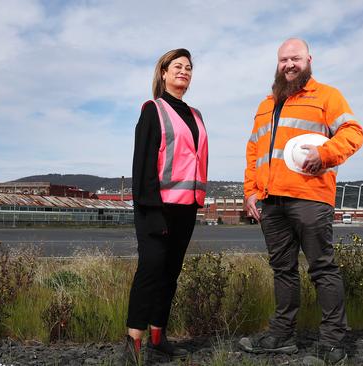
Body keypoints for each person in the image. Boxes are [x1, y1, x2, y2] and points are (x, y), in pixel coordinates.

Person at [239, 38, 363, 366]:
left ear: (308, 60)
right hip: (271, 201)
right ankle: (281, 336)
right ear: (277, 64)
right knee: (283, 269)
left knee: (322, 267)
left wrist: (324, 154)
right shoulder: (266, 104)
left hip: (310, 197)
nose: (289, 64)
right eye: (283, 60)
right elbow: (254, 150)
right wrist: (250, 191)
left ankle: (333, 342)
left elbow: (353, 133)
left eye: (295, 58)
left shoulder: (327, 96)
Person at [117, 48, 208, 365]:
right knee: (151, 271)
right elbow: (142, 166)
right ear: (164, 73)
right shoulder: (152, 110)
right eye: (177, 66)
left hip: (187, 208)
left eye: (189, 67)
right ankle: (133, 343)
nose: (184, 71)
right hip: (155, 207)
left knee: (170, 274)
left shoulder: (196, 115)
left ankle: (159, 337)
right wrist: (152, 211)